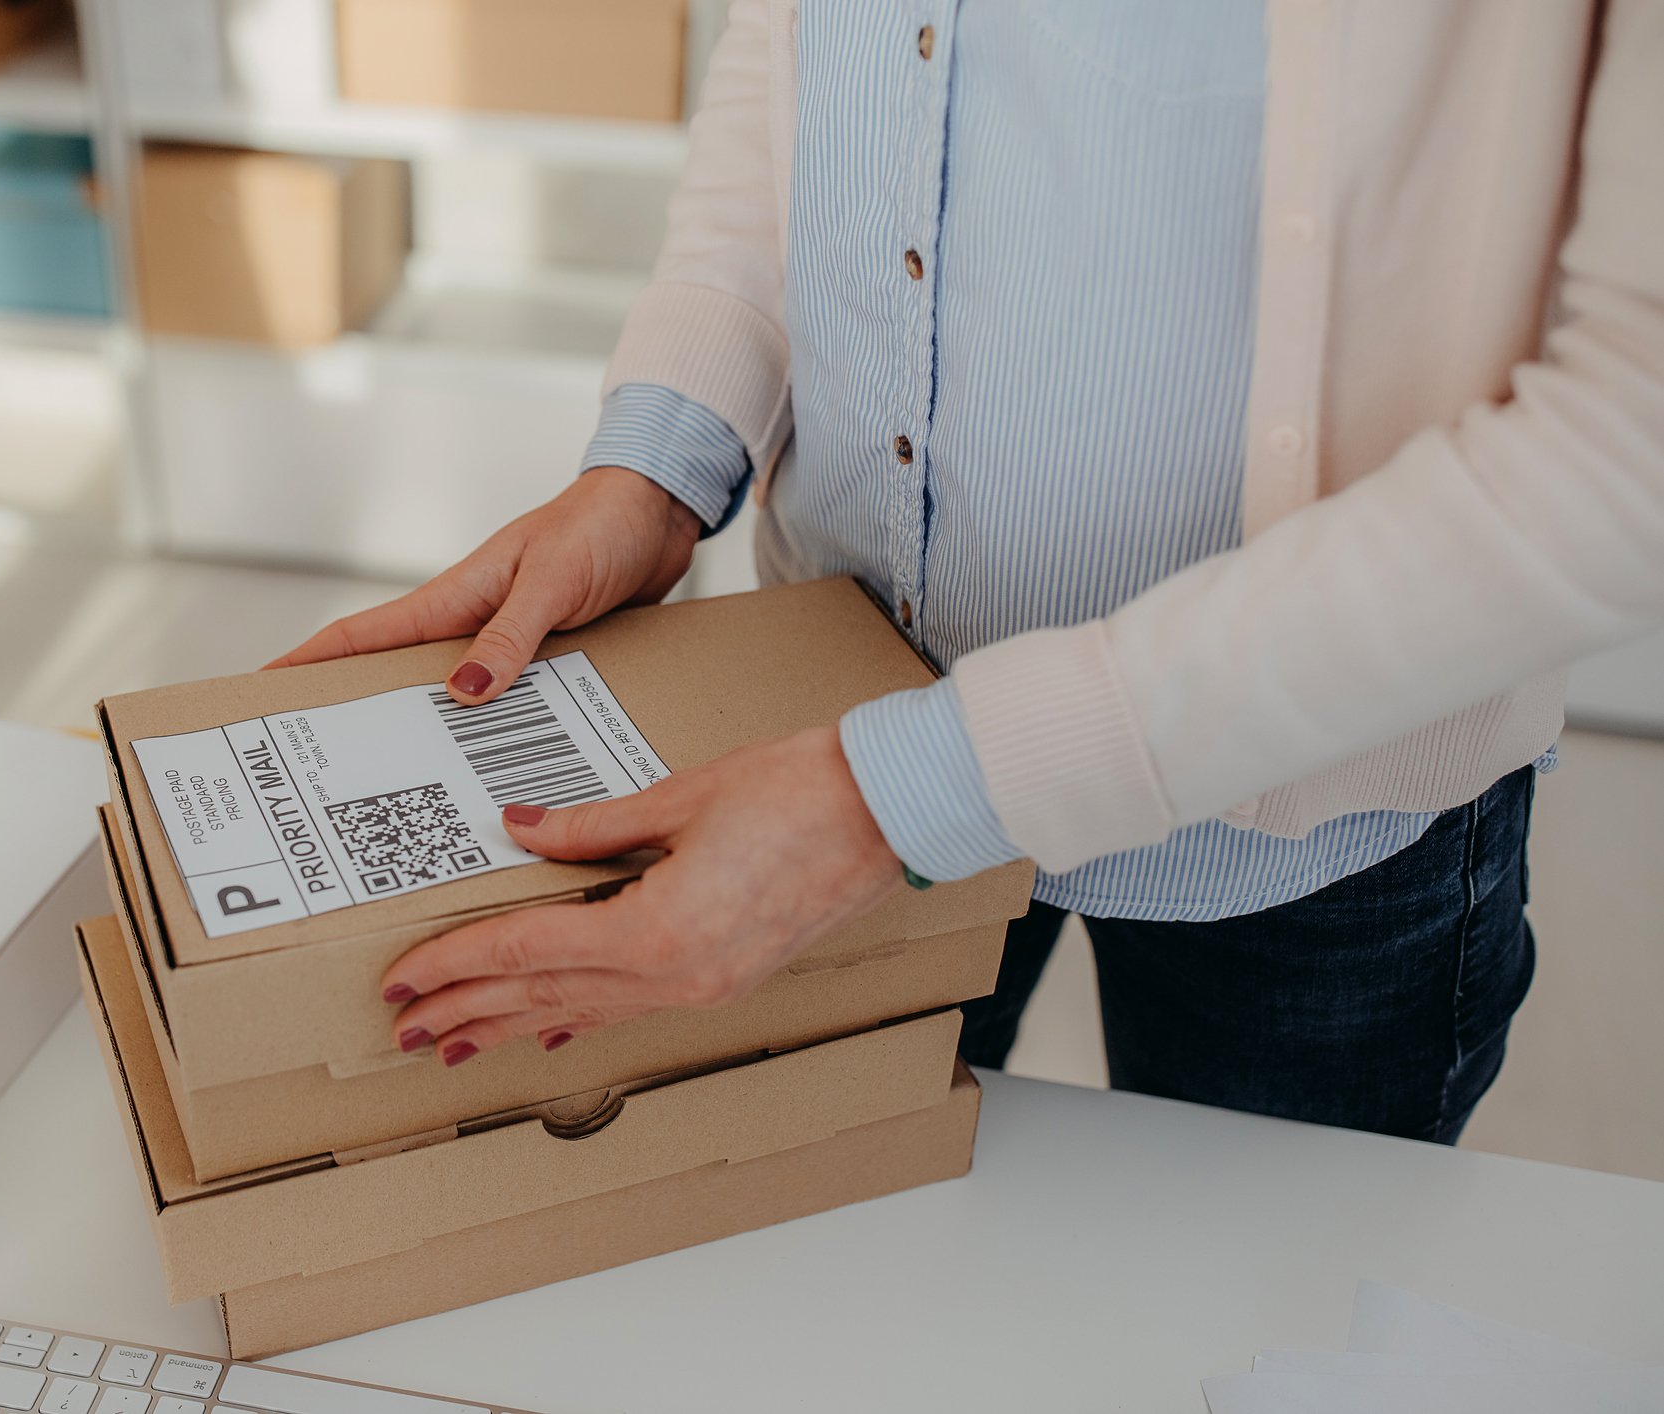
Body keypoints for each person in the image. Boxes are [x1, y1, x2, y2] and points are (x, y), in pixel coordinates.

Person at [275, 0, 1663, 1141]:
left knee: (1251, 1333)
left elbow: (1633, 437)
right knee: (837, 1287)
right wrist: (661, 455)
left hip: (1309, 818)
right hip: (829, 705)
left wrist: (909, 796)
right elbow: (797, 56)